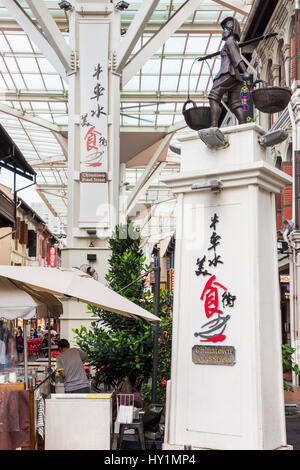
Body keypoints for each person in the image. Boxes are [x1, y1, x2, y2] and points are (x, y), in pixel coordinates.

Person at [208, 16, 250, 127]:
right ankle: (243, 125)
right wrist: (244, 73)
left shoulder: (230, 42)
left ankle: (213, 125)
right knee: (236, 104)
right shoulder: (232, 43)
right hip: (235, 77)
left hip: (227, 73)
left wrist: (245, 72)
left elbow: (237, 58)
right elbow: (237, 57)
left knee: (213, 97)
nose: (223, 32)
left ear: (231, 30)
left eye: (225, 29)